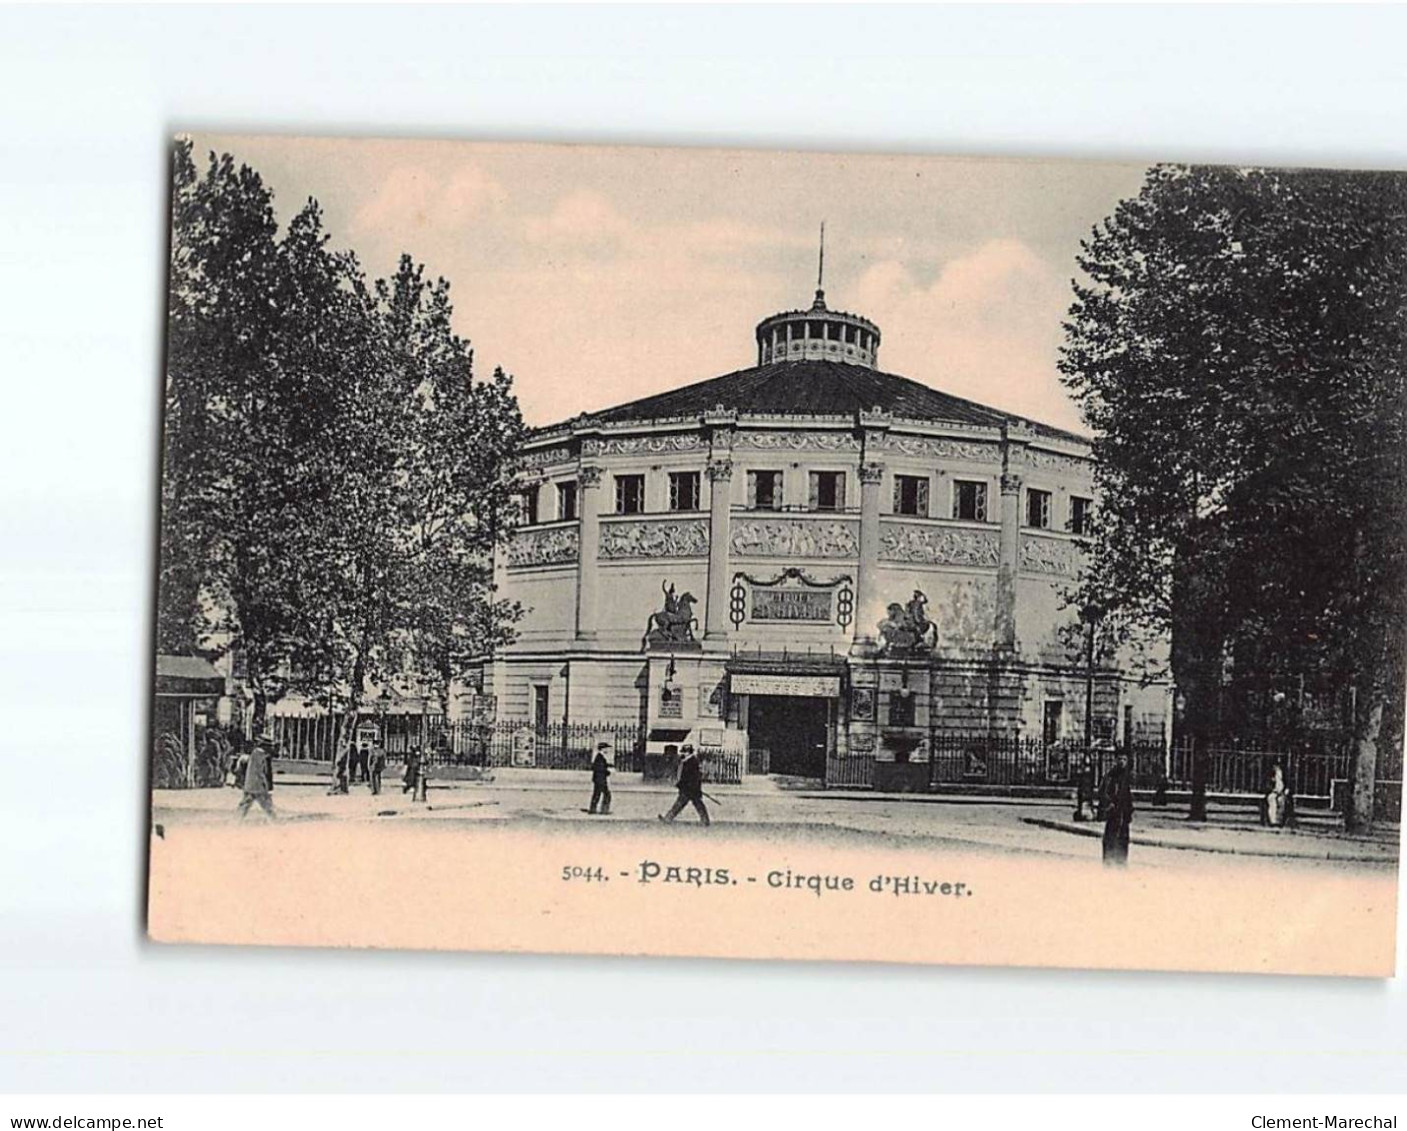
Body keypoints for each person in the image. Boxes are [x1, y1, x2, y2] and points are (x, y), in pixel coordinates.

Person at [659, 744, 710, 826]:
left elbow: (693, 777)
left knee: (691, 804)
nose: (683, 754)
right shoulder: (687, 761)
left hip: (690, 788)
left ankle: (668, 818)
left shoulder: (692, 762)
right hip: (688, 788)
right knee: (684, 804)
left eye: (684, 752)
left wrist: (682, 785)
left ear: (689, 752)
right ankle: (668, 818)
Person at [1100, 749, 1134, 866]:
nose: (1122, 762)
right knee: (1110, 837)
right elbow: (1103, 792)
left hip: (1124, 814)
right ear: (1116, 760)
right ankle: (1108, 862)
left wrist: (1129, 812)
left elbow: (1128, 796)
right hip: (1113, 813)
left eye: (1124, 759)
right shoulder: (1110, 776)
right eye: (1119, 759)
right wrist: (1109, 804)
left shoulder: (1127, 777)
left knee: (1123, 839)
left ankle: (1122, 862)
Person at [236, 737, 277, 820]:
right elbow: (267, 773)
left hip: (250, 784)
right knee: (268, 806)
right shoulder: (265, 756)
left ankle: (235, 822)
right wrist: (269, 787)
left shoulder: (253, 754)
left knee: (244, 805)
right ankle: (275, 823)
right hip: (260, 786)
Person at [589, 741, 613, 815]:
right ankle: (604, 810)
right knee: (607, 795)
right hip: (600, 780)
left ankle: (593, 809)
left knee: (597, 794)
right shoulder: (600, 758)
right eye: (606, 748)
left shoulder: (599, 757)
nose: (608, 750)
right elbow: (599, 769)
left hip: (598, 779)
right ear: (603, 749)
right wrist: (608, 772)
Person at [1264, 762, 1289, 827]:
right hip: (1273, 792)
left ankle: (1279, 821)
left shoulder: (1285, 775)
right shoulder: (1270, 775)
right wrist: (1272, 790)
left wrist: (1285, 790)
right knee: (1272, 801)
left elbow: (1287, 785)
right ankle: (1273, 821)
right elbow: (1267, 786)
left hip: (1281, 793)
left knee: (1282, 801)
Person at [1072, 754, 1096, 822]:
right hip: (1083, 788)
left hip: (1087, 787)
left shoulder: (1090, 769)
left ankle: (1087, 813)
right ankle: (1083, 813)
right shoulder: (1082, 769)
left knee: (1087, 800)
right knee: (1083, 800)